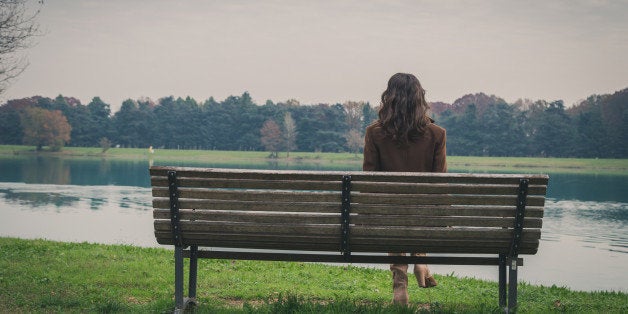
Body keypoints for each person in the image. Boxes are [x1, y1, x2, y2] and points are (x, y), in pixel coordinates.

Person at [363, 72, 447, 305]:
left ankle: (400, 286)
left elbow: (368, 183)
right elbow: (440, 186)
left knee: (394, 213)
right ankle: (420, 259)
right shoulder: (437, 134)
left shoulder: (374, 133)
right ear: (420, 99)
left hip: (389, 216)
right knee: (417, 210)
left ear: (388, 99)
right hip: (422, 217)